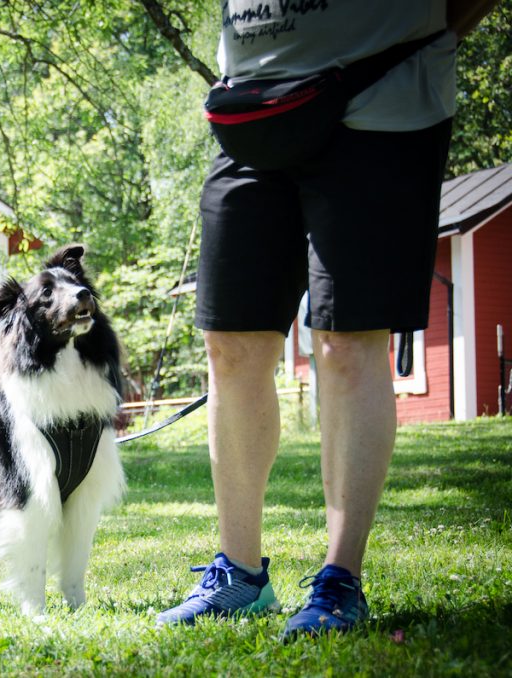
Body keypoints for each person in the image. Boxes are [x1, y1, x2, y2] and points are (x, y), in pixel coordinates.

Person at [156, 0, 497, 638]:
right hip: (252, 111)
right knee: (228, 343)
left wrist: (424, 33)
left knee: (344, 340)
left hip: (379, 100)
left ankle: (340, 582)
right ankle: (239, 575)